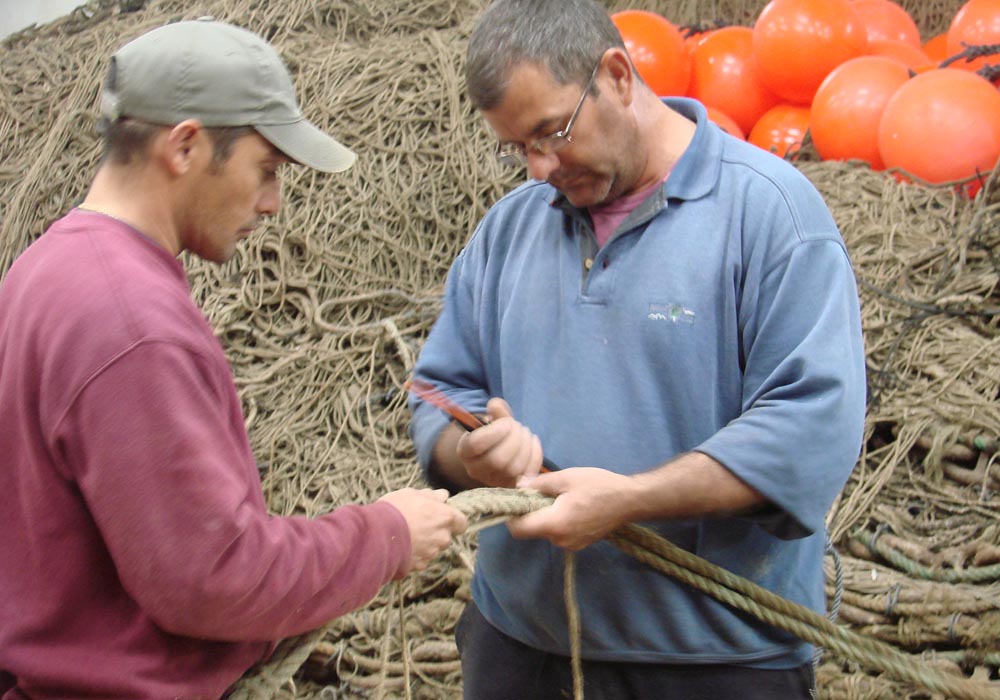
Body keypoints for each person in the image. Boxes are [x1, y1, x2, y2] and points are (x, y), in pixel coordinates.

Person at [407, 1, 866, 698]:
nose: (537, 168)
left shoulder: (769, 214)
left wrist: (629, 500)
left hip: (716, 660)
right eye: (517, 147)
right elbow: (442, 393)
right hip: (522, 645)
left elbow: (808, 431)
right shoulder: (509, 232)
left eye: (551, 132)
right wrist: (466, 455)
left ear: (618, 75)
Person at [0, 18, 467, 700]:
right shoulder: (132, 325)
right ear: (185, 145)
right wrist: (386, 535)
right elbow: (210, 578)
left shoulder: (47, 268)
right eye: (267, 170)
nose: (274, 204)